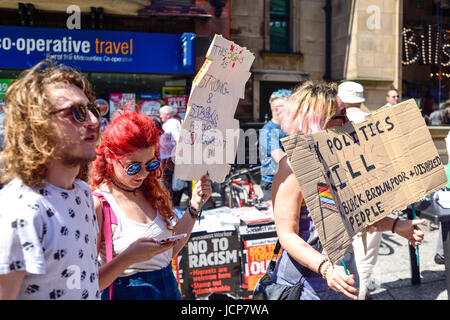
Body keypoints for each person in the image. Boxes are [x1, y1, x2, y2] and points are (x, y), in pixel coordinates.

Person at [271, 80, 425, 300]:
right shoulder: (292, 166)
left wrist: (396, 225)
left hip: (345, 279)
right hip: (306, 286)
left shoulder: (342, 159)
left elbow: (356, 215)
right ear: (319, 122)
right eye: (341, 115)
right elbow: (286, 234)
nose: (348, 120)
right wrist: (326, 268)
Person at [0, 60, 101, 299]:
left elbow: (84, 284)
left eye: (92, 110)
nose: (94, 121)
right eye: (76, 112)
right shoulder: (18, 209)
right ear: (36, 126)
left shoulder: (83, 193)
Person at [89, 111, 212, 300]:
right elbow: (90, 282)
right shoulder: (99, 204)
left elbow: (168, 251)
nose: (143, 173)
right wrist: (129, 258)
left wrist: (194, 206)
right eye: (134, 166)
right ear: (110, 158)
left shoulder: (150, 191)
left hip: (168, 288)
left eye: (151, 164)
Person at [259, 89, 291, 201]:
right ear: (277, 110)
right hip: (271, 184)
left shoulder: (289, 128)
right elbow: (281, 158)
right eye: (288, 107)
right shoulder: (268, 130)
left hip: (288, 180)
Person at [159, 105, 184, 206]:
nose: (160, 116)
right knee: (167, 180)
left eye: (161, 114)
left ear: (168, 114)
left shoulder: (173, 123)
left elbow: (178, 138)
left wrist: (178, 154)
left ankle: (173, 202)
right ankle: (170, 202)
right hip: (166, 156)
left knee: (168, 180)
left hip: (170, 156)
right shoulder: (167, 124)